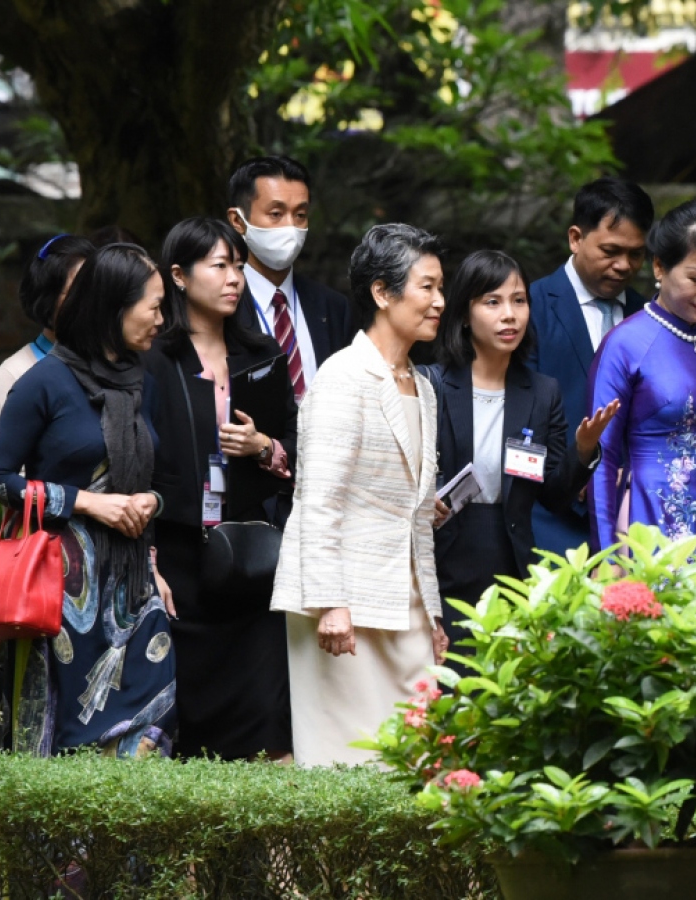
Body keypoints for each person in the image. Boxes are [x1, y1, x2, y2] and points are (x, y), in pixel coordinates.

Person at [0, 242, 178, 758]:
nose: (163, 319)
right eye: (154, 306)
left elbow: (160, 482)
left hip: (135, 589)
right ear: (115, 305)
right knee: (69, 744)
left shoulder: (143, 384)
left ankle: (134, 843)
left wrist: (148, 505)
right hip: (61, 592)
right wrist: (88, 503)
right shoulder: (43, 383)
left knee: (151, 730)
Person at [271, 223, 449, 766]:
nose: (440, 302)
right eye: (428, 287)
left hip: (403, 596)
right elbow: (318, 499)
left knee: (416, 753)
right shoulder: (342, 376)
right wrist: (331, 605)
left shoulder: (421, 384)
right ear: (381, 292)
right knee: (346, 761)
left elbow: (412, 516)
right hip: (341, 602)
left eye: (442, 288)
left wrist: (432, 613)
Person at [147, 218, 296, 760]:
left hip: (252, 558)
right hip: (180, 557)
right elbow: (132, 464)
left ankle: (273, 843)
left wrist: (262, 446)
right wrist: (151, 562)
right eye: (220, 265)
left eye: (237, 265)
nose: (235, 277)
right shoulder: (154, 361)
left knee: (264, 719)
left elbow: (297, 449)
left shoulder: (263, 354)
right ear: (180, 277)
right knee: (184, 723)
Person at [422, 250, 617, 663]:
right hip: (446, 557)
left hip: (511, 556)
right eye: (492, 302)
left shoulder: (542, 392)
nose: (509, 314)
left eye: (519, 300)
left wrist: (584, 449)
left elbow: (554, 494)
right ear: (463, 313)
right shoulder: (432, 386)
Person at [588, 200, 696, 560]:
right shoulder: (624, 344)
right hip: (651, 519)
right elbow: (601, 457)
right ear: (659, 266)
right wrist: (605, 556)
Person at [527, 177, 655, 555]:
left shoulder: (648, 317)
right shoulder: (529, 307)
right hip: (551, 518)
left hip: (635, 521)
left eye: (636, 254)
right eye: (611, 251)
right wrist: (573, 473)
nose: (624, 266)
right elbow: (520, 416)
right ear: (575, 238)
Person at [225, 156, 355, 404]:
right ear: (237, 221)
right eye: (276, 213)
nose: (291, 227)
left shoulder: (332, 308)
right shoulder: (223, 305)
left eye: (300, 215)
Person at [0, 234, 96, 437]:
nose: (88, 301)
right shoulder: (14, 374)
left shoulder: (114, 361)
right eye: (76, 291)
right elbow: (7, 467)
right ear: (47, 296)